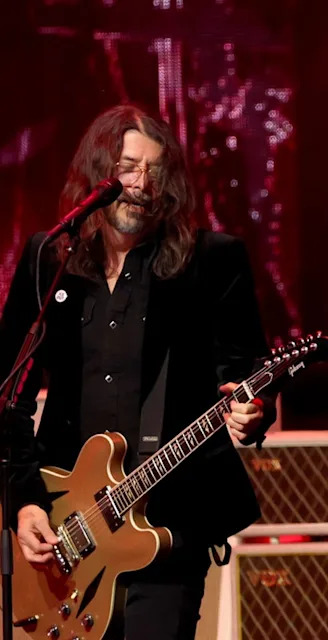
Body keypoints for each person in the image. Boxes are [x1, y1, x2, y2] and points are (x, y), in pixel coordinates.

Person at [0, 104, 275, 639]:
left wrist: (252, 414)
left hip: (170, 518)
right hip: (66, 529)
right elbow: (9, 396)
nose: (141, 185)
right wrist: (26, 502)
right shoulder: (49, 259)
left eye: (155, 171)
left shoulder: (211, 260)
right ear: (97, 171)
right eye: (128, 167)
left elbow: (247, 379)